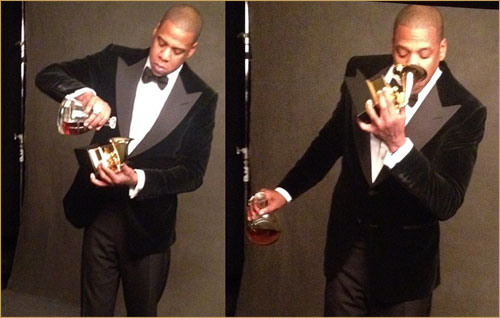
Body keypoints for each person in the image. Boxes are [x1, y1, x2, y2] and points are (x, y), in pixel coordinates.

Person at [248, 5, 486, 316]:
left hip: (404, 272)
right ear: (392, 45)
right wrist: (285, 192)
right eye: (402, 52)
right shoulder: (360, 73)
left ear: (442, 48)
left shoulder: (466, 109)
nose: (411, 65)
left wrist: (398, 145)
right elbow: (329, 143)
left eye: (424, 54)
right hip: (346, 254)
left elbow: (446, 202)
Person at [36, 4, 217, 316]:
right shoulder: (114, 59)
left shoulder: (203, 97)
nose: (164, 55)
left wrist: (138, 179)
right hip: (99, 211)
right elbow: (47, 75)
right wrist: (86, 95)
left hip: (149, 227)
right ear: (155, 31)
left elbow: (193, 172)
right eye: (162, 42)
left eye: (176, 50)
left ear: (192, 51)